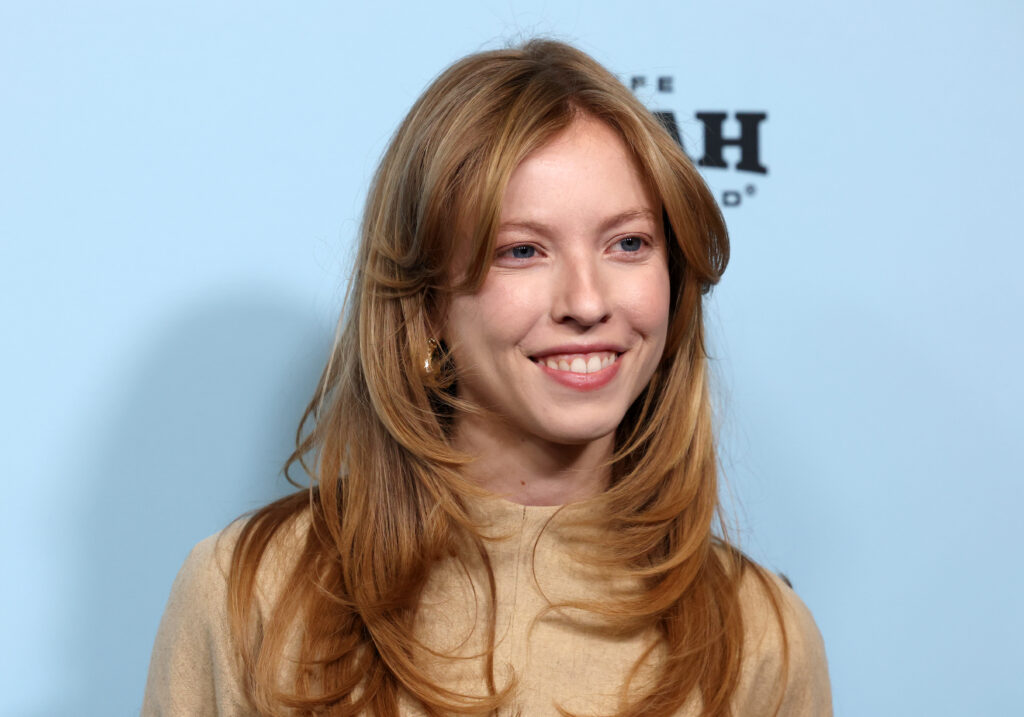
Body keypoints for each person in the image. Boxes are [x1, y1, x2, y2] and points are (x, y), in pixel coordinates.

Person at [143, 39, 831, 716]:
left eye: (628, 243)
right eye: (522, 250)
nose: (587, 302)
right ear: (429, 302)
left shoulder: (760, 635)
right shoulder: (250, 592)